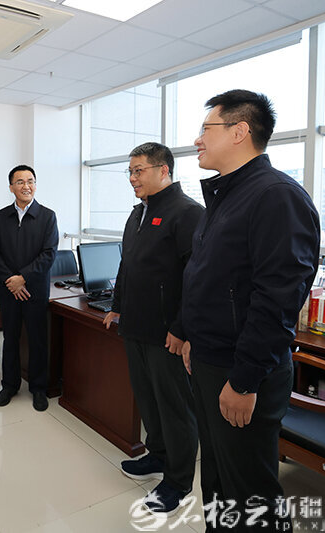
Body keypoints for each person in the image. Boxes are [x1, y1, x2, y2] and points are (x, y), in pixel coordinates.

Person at [181, 90, 320, 531]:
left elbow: (277, 299)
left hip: (241, 370)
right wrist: (193, 337)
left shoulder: (276, 196)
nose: (198, 140)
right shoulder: (226, 196)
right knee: (218, 479)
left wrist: (244, 379)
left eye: (206, 129)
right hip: (211, 359)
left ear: (239, 131)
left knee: (250, 495)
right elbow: (210, 279)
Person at [101, 142, 203, 514]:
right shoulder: (138, 213)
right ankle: (157, 455)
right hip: (135, 326)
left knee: (174, 408)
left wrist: (181, 328)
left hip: (167, 334)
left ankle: (177, 480)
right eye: (129, 171)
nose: (132, 178)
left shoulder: (188, 213)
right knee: (148, 400)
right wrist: (117, 306)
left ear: (163, 170)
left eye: (138, 170)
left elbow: (196, 278)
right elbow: (127, 265)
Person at [0, 165, 58, 412]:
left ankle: (38, 388)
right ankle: (9, 385)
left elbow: (49, 254)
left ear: (35, 185)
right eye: (20, 182)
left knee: (37, 339)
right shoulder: (1, 216)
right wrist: (11, 280)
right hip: (9, 289)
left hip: (35, 289)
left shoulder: (47, 216)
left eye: (30, 181)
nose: (26, 186)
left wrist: (24, 278)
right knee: (10, 338)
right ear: (11, 187)